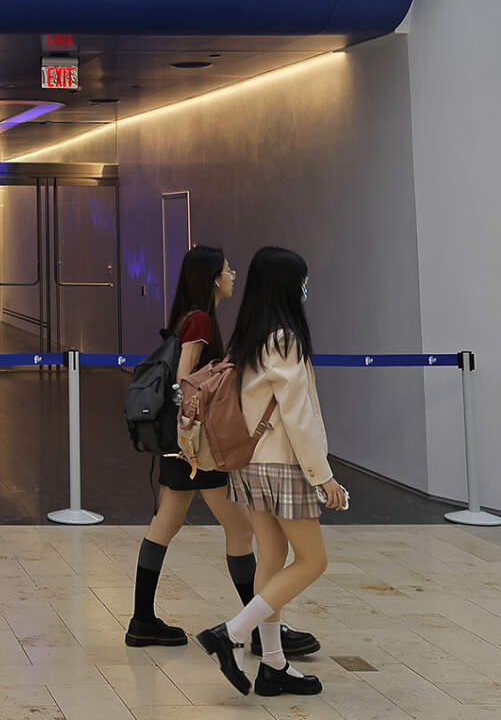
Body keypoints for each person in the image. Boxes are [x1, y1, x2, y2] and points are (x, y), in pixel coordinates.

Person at [127, 248, 320, 660]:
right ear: (213, 278)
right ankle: (254, 624)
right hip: (199, 444)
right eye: (227, 268)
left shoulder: (191, 315)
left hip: (185, 442)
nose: (232, 274)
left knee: (166, 523)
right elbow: (186, 381)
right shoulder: (199, 319)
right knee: (241, 530)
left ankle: (143, 619)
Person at [195, 247, 346, 700]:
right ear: (286, 285)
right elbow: (298, 416)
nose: (307, 288)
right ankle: (232, 632)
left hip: (251, 466)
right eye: (303, 280)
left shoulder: (250, 336)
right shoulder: (285, 338)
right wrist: (323, 476)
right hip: (283, 466)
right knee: (313, 561)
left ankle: (274, 664)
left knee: (271, 557)